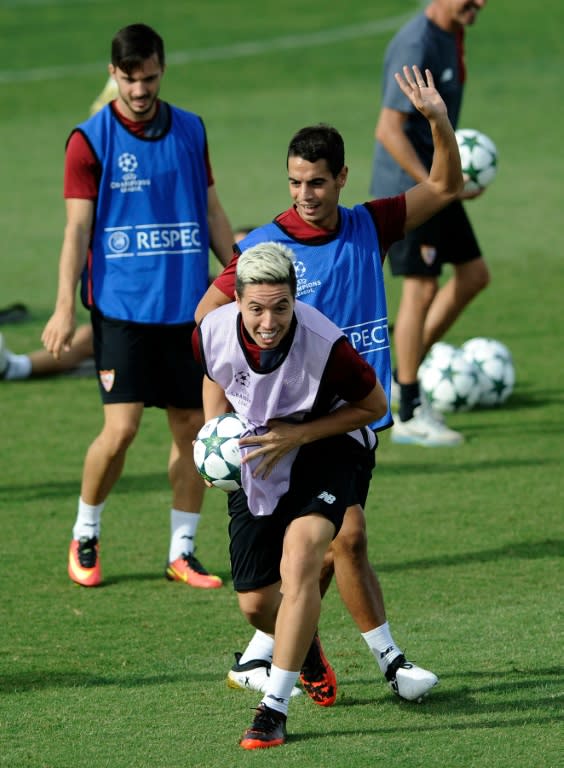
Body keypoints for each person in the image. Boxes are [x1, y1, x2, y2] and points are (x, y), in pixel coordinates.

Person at [195, 65, 462, 704]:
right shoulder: (264, 248)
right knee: (337, 540)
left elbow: (447, 185)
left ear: (342, 178)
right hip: (286, 422)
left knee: (342, 538)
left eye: (317, 182)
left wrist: (437, 121)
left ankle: (282, 655)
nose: (306, 194)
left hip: (351, 416)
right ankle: (372, 662)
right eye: (295, 183)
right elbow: (210, 319)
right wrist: (228, 412)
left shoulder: (371, 224)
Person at [41, 23, 235, 589]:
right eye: (130, 79)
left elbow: (213, 211)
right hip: (122, 309)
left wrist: (240, 275)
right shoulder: (91, 140)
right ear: (113, 75)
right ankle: (86, 530)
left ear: (161, 70)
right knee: (121, 430)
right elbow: (77, 232)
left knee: (192, 428)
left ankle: (182, 551)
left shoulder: (192, 130)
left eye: (149, 77)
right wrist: (62, 308)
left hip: (186, 309)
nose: (141, 89)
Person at [195, 241, 388, 749]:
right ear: (236, 300)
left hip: (329, 446)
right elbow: (215, 376)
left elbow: (373, 406)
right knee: (258, 603)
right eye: (256, 307)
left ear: (295, 300)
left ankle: (272, 710)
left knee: (301, 556)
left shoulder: (328, 345)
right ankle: (302, 649)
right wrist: (218, 436)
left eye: (281, 307)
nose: (268, 321)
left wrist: (297, 436)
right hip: (259, 449)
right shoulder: (210, 332)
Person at [370, 0, 489, 447]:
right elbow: (389, 129)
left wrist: (447, 181)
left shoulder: (453, 31)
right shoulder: (416, 42)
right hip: (408, 189)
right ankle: (408, 409)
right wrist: (438, 184)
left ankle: (403, 366)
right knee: (419, 289)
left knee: (474, 275)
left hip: (437, 181)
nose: (479, 4)